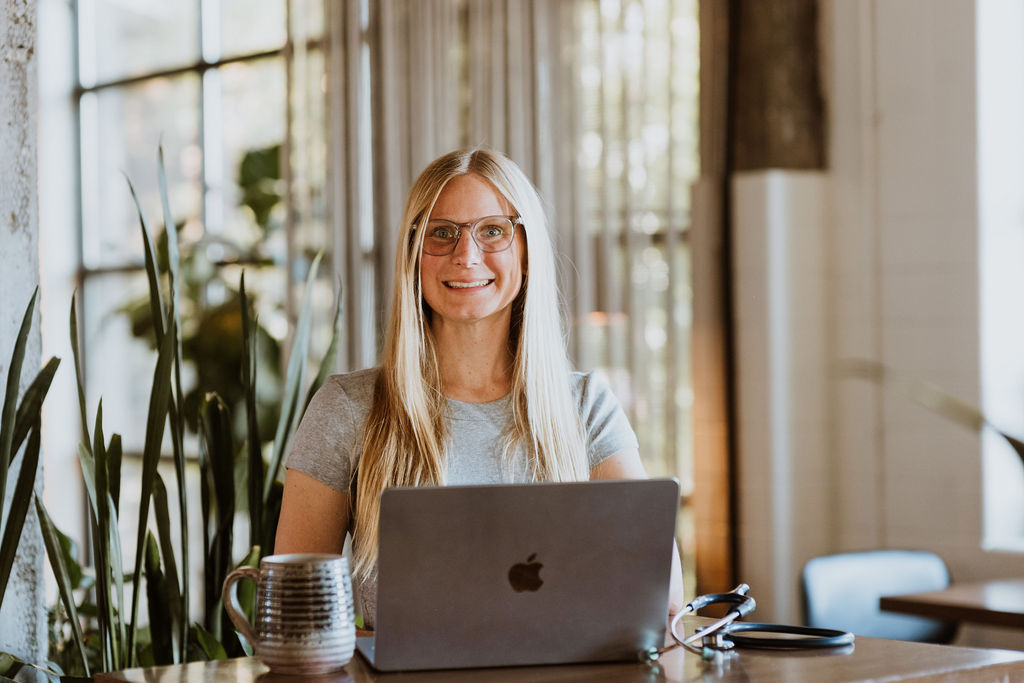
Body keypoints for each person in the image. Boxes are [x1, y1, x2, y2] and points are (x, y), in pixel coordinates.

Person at [275, 148, 684, 632]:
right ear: (413, 255)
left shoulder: (587, 406)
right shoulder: (348, 408)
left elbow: (662, 600)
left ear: (526, 253)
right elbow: (294, 615)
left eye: (492, 231)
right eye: (441, 232)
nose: (466, 256)